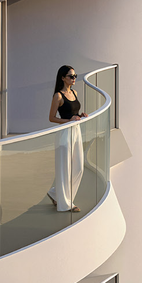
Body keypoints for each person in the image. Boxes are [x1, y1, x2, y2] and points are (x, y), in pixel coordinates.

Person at [45, 64, 85, 212]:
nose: (74, 78)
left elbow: (74, 113)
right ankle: (66, 203)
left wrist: (80, 116)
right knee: (65, 169)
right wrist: (69, 121)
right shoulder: (58, 96)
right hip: (64, 134)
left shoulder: (74, 93)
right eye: (71, 76)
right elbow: (51, 118)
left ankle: (55, 193)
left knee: (79, 167)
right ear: (63, 78)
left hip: (76, 132)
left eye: (75, 76)